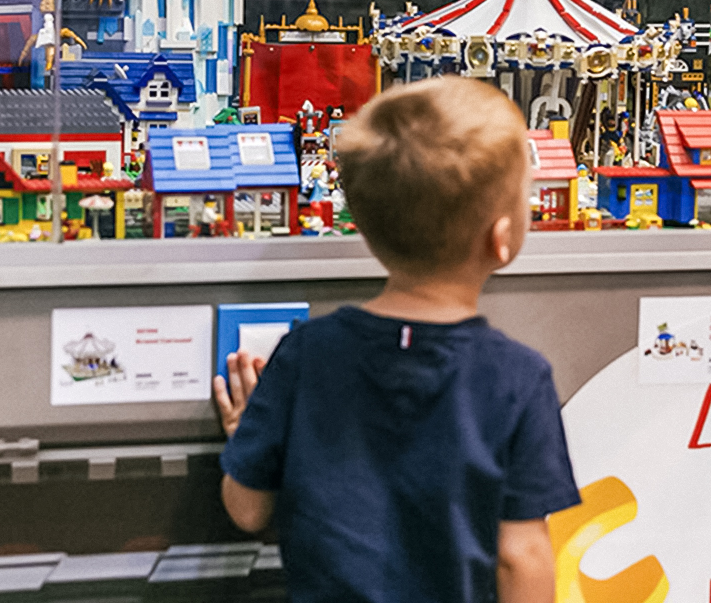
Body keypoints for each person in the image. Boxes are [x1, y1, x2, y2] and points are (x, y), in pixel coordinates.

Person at [212, 76, 581, 603]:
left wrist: (245, 434)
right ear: (501, 239)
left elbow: (247, 509)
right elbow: (520, 556)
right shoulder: (517, 379)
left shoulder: (305, 354)